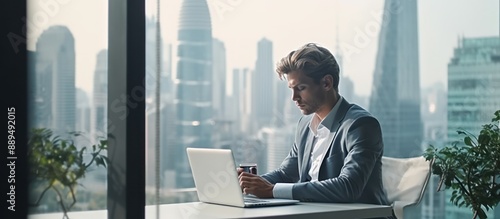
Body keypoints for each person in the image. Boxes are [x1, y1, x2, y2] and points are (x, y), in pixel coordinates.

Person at [238, 43, 390, 208]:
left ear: (326, 83)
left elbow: (348, 187)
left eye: (301, 88)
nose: (294, 97)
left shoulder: (360, 125)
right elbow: (286, 174)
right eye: (291, 89)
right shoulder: (305, 125)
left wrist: (272, 190)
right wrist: (247, 183)